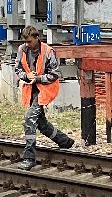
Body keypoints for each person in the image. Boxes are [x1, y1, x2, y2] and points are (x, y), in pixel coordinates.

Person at [17, 24, 74, 169]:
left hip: (45, 89)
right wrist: (27, 75)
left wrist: (38, 78)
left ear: (37, 38)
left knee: (29, 119)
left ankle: (29, 158)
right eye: (25, 42)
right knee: (41, 123)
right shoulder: (22, 50)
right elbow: (17, 69)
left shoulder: (48, 51)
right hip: (31, 89)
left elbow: (55, 74)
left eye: (29, 41)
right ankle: (64, 141)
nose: (27, 44)